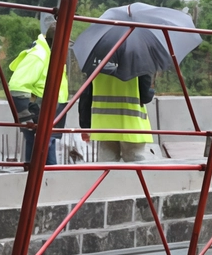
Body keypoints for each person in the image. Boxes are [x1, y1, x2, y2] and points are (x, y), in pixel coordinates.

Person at [9, 22, 69, 165]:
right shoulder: (39, 55)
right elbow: (17, 84)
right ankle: (39, 184)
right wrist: (25, 116)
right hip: (39, 114)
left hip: (50, 113)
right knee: (41, 159)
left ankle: (43, 184)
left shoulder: (51, 55)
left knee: (45, 156)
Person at [79, 73, 155, 162]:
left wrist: (85, 125)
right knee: (136, 165)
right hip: (131, 125)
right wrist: (151, 90)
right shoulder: (138, 62)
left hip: (105, 126)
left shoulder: (97, 63)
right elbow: (146, 97)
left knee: (107, 165)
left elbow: (86, 96)